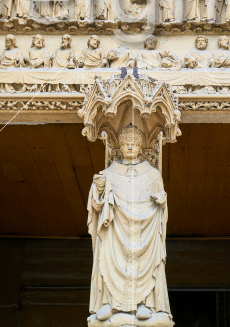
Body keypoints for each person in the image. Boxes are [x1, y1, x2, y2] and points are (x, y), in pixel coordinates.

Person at [88, 125, 171, 324]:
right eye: (126, 144)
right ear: (121, 147)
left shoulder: (152, 174)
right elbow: (97, 206)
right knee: (109, 258)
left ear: (140, 147)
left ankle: (145, 302)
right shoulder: (109, 174)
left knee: (145, 261)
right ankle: (109, 302)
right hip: (116, 230)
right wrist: (98, 189)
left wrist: (161, 200)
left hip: (145, 228)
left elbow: (162, 204)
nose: (130, 147)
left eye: (134, 144)